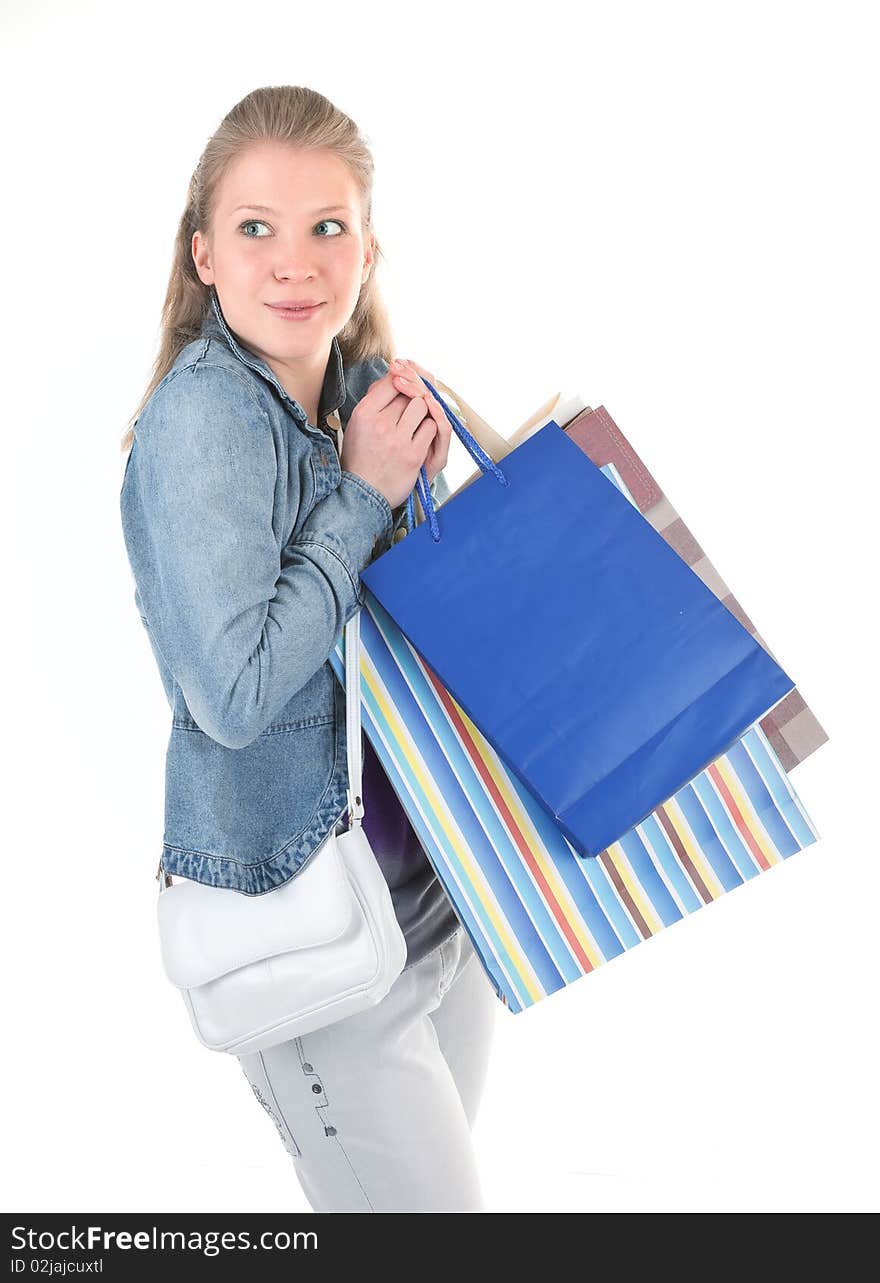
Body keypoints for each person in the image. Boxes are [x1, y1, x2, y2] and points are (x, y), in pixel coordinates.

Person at [118, 85, 497, 1212]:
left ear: (368, 248)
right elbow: (233, 694)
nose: (295, 262)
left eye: (327, 226)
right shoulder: (203, 423)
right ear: (203, 256)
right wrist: (362, 492)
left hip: (438, 890)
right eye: (255, 229)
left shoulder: (359, 396)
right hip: (311, 922)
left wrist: (425, 474)